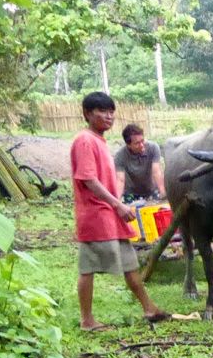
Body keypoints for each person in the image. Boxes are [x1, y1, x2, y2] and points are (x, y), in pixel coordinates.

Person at [70, 92, 169, 331]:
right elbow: (88, 180)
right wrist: (118, 203)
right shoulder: (84, 140)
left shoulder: (99, 141)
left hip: (111, 215)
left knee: (129, 263)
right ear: (86, 113)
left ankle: (149, 308)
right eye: (102, 111)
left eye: (111, 111)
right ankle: (87, 321)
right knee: (88, 268)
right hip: (95, 215)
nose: (108, 116)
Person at [113, 123, 165, 201]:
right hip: (131, 193)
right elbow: (120, 180)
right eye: (137, 143)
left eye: (142, 140)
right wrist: (116, 201)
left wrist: (162, 191)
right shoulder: (120, 156)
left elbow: (156, 171)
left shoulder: (153, 148)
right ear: (128, 145)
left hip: (152, 190)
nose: (141, 145)